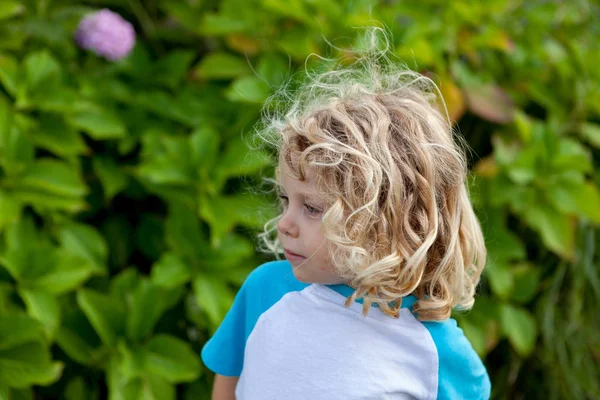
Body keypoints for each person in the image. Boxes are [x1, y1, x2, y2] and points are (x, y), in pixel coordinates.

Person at [201, 28, 491, 400]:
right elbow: (227, 385)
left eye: (311, 208)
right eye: (286, 200)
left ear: (385, 221)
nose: (285, 224)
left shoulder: (433, 346)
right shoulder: (266, 290)